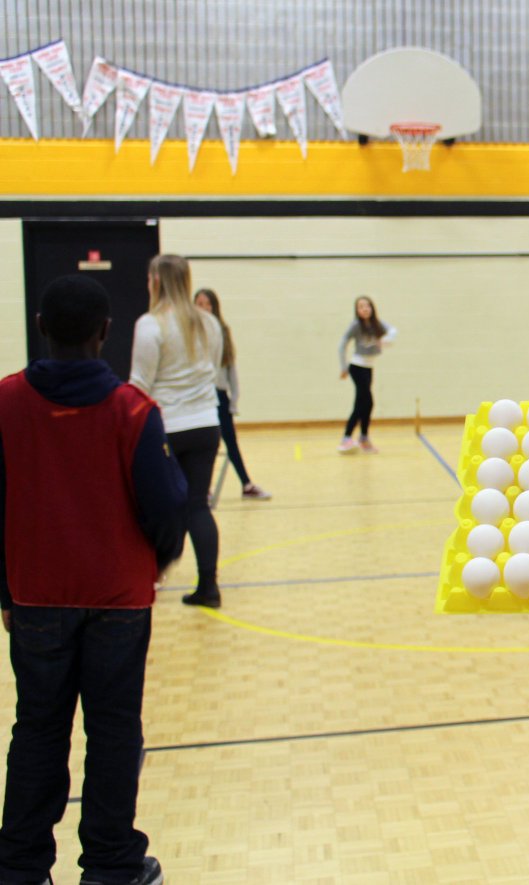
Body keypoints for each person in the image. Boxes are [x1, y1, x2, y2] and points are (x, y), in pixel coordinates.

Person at [0, 275, 186, 885]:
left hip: (34, 597)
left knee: (36, 730)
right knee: (112, 732)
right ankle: (110, 863)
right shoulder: (133, 412)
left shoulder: (5, 402)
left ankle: (21, 867)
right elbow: (167, 513)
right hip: (117, 603)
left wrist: (5, 591)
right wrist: (150, 566)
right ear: (106, 333)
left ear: (40, 327)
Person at [131, 254, 225, 608]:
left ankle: (150, 576)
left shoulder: (150, 324)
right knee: (197, 506)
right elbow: (212, 371)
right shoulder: (209, 323)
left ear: (156, 280)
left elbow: (140, 384)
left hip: (165, 428)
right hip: (205, 424)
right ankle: (209, 587)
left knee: (155, 507)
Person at [193, 288, 271, 502]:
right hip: (199, 396)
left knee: (230, 441)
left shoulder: (222, 331)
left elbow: (230, 367)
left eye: (207, 304)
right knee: (207, 444)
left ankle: (246, 484)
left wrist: (234, 399)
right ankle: (203, 489)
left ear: (214, 307)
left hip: (219, 395)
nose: (203, 308)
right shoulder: (190, 332)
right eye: (198, 303)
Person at [338, 295, 396, 454]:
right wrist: (343, 367)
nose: (365, 309)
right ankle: (347, 438)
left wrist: (385, 341)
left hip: (369, 367)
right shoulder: (356, 325)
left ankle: (363, 438)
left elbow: (393, 331)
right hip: (357, 367)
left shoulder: (377, 324)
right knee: (363, 402)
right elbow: (342, 343)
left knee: (366, 404)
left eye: (367, 306)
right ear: (357, 310)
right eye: (361, 306)